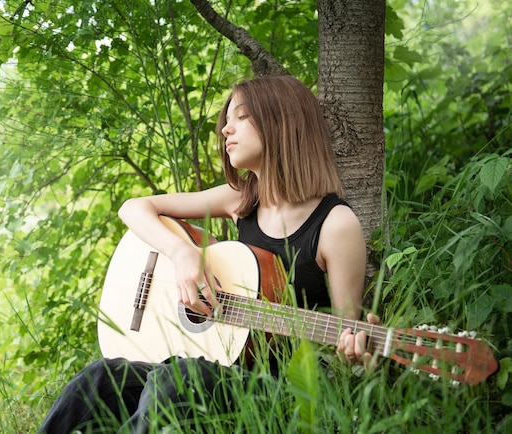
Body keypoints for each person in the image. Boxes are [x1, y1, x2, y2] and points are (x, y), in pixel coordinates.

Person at [38, 75, 378, 433]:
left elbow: (346, 339)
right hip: (219, 366)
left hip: (282, 392)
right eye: (225, 121)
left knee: (176, 379)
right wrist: (183, 253)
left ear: (282, 120)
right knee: (99, 379)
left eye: (240, 117)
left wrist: (355, 352)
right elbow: (134, 208)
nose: (225, 130)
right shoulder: (241, 199)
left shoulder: (336, 224)